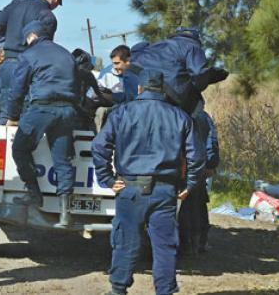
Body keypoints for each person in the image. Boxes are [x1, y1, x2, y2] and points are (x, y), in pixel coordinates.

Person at [92, 70, 205, 295]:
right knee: (165, 246)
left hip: (130, 189)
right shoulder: (180, 116)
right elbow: (197, 156)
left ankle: (118, 289)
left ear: (140, 89)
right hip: (165, 191)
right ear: (162, 89)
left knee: (126, 242)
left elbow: (99, 147)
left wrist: (107, 178)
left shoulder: (121, 113)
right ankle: (164, 291)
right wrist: (188, 186)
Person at [3, 20, 78, 228]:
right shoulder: (66, 54)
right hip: (67, 110)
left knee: (20, 148)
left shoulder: (29, 55)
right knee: (62, 159)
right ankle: (65, 212)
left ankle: (34, 194)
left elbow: (17, 90)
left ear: (31, 36)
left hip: (42, 108)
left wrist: (12, 116)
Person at [0, 0, 64, 117]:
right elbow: (45, 49)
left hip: (7, 65)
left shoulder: (16, 6)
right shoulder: (47, 15)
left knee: (6, 115)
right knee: (25, 117)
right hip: (27, 69)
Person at [177, 110, 219, 256]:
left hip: (179, 166)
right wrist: (211, 163)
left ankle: (186, 244)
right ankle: (198, 243)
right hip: (197, 166)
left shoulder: (173, 112)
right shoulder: (202, 116)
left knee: (184, 208)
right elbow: (211, 141)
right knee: (197, 206)